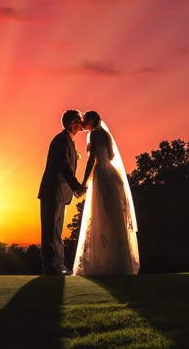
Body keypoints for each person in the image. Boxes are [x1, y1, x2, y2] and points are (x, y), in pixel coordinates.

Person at [72, 111, 140, 275]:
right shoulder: (105, 134)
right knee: (113, 218)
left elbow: (91, 159)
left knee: (100, 215)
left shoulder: (94, 134)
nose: (83, 122)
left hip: (101, 175)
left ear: (92, 120)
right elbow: (110, 155)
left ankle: (102, 262)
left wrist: (83, 182)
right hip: (112, 174)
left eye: (85, 120)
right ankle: (118, 262)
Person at [37, 109, 86, 275]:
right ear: (73, 123)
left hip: (60, 192)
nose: (82, 124)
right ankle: (50, 266)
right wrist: (77, 186)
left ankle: (59, 264)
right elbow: (63, 166)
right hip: (52, 191)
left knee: (57, 231)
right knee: (50, 230)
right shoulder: (61, 140)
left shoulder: (68, 140)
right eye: (80, 120)